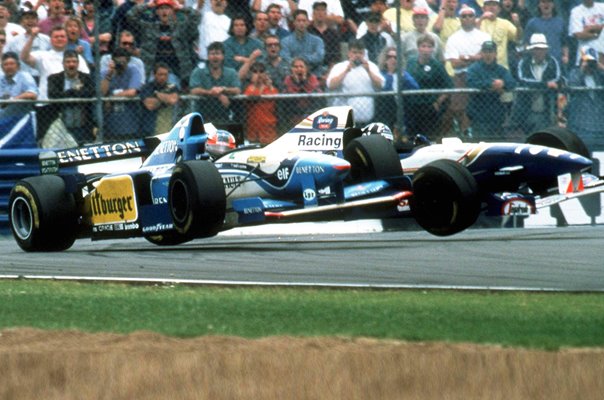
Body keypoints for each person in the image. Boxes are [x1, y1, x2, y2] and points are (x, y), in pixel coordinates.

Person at [20, 25, 90, 140]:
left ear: (67, 39)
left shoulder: (76, 58)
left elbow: (85, 77)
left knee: (73, 140)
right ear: (51, 39)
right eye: (56, 37)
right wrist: (32, 37)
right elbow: (24, 57)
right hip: (47, 104)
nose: (59, 39)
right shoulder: (43, 55)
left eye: (62, 36)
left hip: (70, 105)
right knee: (46, 140)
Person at [126, 0, 200, 88]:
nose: (164, 11)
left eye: (167, 8)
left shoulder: (181, 28)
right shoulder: (148, 28)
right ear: (157, 12)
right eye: (161, 9)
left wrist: (181, 7)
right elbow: (130, 16)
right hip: (152, 70)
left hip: (176, 72)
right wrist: (147, 5)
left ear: (173, 11)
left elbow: (196, 16)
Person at [443, 5, 491, 136]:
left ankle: (481, 133)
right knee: (460, 108)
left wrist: (465, 57)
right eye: (464, 16)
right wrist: (475, 57)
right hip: (461, 77)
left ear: (475, 18)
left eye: (470, 15)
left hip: (482, 76)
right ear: (459, 18)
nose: (467, 18)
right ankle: (465, 133)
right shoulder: (453, 38)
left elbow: (487, 58)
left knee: (482, 108)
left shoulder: (484, 36)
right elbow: (454, 64)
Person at [510, 33, 562, 135]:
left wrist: (547, 85)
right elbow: (523, 81)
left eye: (542, 49)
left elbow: (557, 79)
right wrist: (545, 85)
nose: (540, 52)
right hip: (526, 109)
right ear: (532, 50)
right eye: (537, 49)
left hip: (547, 109)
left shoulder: (553, 62)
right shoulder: (523, 63)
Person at [326, 39, 384, 126]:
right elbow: (331, 85)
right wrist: (346, 70)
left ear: (364, 54)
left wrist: (368, 71)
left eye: (360, 53)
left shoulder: (371, 66)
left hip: (367, 118)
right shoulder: (340, 66)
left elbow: (380, 85)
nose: (357, 55)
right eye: (354, 52)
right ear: (349, 53)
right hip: (345, 120)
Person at [406, 34, 453, 141]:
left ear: (433, 49)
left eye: (429, 47)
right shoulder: (411, 63)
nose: (426, 49)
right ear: (418, 48)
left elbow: (448, 86)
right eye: (423, 46)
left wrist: (438, 102)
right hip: (412, 106)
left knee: (429, 138)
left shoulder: (437, 65)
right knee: (412, 138)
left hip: (429, 107)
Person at [466, 40, 517, 140]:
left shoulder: (501, 69)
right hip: (478, 113)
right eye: (485, 52)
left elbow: (512, 83)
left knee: (498, 144)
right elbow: (471, 83)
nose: (488, 55)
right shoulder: (473, 69)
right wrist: (492, 84)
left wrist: (503, 83)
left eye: (491, 52)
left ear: (495, 54)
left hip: (496, 113)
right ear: (481, 53)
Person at [47, 50, 95, 145]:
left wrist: (67, 95)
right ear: (63, 64)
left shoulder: (86, 78)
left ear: (78, 63)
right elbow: (53, 95)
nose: (71, 64)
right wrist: (74, 92)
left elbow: (90, 93)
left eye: (74, 61)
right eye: (68, 62)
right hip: (61, 123)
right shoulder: (54, 78)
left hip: (83, 122)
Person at [189, 41, 241, 124]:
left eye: (218, 53)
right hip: (202, 117)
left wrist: (223, 89)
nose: (215, 57)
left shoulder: (231, 72)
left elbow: (237, 90)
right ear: (208, 56)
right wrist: (212, 92)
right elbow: (193, 90)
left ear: (223, 56)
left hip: (225, 117)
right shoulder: (198, 72)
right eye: (212, 54)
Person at [375, 46, 419, 141]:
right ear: (385, 59)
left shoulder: (403, 74)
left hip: (402, 109)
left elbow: (415, 87)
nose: (392, 60)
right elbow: (385, 90)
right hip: (385, 110)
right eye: (389, 57)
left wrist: (403, 76)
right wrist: (390, 73)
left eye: (395, 57)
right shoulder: (380, 74)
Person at [565, 46, 604, 149]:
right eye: (587, 61)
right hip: (580, 125)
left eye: (592, 61)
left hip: (598, 124)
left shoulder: (599, 76)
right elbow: (571, 84)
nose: (590, 64)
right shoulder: (575, 73)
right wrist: (582, 69)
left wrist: (601, 67)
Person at [100, 47, 143, 140]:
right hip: (110, 124)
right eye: (118, 61)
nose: (120, 64)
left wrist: (111, 98)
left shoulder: (133, 70)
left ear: (127, 61)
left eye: (123, 62)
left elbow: (132, 92)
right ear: (113, 60)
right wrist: (109, 75)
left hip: (130, 123)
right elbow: (101, 93)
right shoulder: (105, 73)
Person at [4, 10, 50, 84]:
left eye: (33, 18)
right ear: (22, 22)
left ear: (37, 21)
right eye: (27, 18)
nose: (30, 21)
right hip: (22, 77)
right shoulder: (14, 41)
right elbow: (6, 56)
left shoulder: (46, 39)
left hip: (42, 77)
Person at [523, 0, 569, 67]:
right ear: (539, 5)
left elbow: (564, 43)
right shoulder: (532, 23)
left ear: (553, 5)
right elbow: (526, 44)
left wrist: (566, 56)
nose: (546, 4)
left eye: (549, 2)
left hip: (557, 62)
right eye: (543, 2)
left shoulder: (560, 22)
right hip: (538, 63)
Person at [478, 0, 521, 70]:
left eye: (494, 5)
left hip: (501, 66)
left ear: (499, 9)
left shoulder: (505, 23)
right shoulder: (478, 22)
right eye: (488, 5)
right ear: (483, 8)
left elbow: (518, 38)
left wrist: (518, 25)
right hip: (481, 67)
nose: (491, 7)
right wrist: (481, 18)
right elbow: (471, 35)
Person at [243, 61, 279, 144]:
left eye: (261, 71)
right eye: (255, 72)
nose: (258, 74)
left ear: (265, 74)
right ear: (251, 75)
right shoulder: (248, 89)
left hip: (268, 129)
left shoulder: (271, 89)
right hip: (253, 129)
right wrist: (255, 85)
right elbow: (249, 98)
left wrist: (269, 85)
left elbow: (274, 97)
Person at [281, 9, 325, 76]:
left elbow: (319, 57)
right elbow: (285, 58)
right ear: (294, 22)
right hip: (292, 75)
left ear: (308, 22)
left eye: (304, 21)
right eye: (298, 21)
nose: (301, 23)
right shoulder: (285, 41)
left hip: (313, 74)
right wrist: (305, 61)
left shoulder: (318, 40)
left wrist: (301, 59)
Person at [139, 62, 179, 135]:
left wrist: (157, 94)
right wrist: (166, 100)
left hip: (167, 128)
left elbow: (173, 100)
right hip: (150, 128)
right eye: (160, 74)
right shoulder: (147, 87)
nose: (163, 77)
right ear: (154, 75)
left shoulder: (172, 87)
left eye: (165, 74)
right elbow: (150, 105)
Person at [283, 57, 323, 127]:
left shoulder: (312, 78)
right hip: (294, 110)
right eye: (296, 67)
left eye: (301, 66)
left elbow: (312, 92)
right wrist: (297, 82)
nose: (299, 69)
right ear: (291, 69)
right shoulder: (288, 79)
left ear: (306, 69)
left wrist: (304, 81)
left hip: (309, 109)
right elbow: (290, 95)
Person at [0, 52, 38, 119]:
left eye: (12, 64)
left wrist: (12, 100)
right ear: (2, 68)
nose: (9, 67)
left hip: (20, 117)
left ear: (18, 66)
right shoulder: (1, 79)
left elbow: (32, 94)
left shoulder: (25, 76)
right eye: (6, 64)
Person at [307, 1, 342, 73]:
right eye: (317, 10)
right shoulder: (307, 31)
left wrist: (329, 73)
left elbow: (336, 57)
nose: (320, 13)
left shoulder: (333, 33)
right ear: (313, 13)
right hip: (310, 67)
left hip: (328, 67)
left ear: (326, 13)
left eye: (323, 10)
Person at [568, 0, 604, 66]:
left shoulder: (602, 7)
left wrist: (590, 29)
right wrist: (599, 33)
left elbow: (584, 32)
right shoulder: (576, 11)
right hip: (586, 58)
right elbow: (579, 35)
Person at [197, 0, 231, 64]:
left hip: (223, 61)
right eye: (215, 0)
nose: (218, 1)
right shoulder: (204, 16)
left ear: (226, 3)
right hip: (205, 59)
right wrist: (199, 5)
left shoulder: (229, 21)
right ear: (210, 3)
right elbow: (196, 13)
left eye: (221, 0)